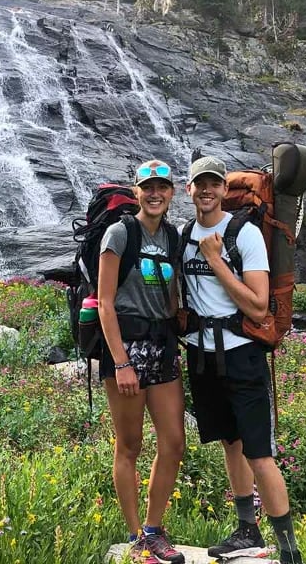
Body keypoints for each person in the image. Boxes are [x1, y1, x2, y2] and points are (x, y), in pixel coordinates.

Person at [180, 156, 304, 564]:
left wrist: (215, 259)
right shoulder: (183, 235)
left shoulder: (244, 233)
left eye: (214, 183)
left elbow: (256, 306)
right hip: (202, 356)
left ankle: (289, 551)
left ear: (223, 190)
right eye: (200, 183)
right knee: (230, 443)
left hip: (242, 354)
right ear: (190, 189)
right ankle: (247, 530)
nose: (207, 190)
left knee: (259, 452)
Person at [97, 160, 186, 564]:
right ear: (137, 192)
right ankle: (135, 538)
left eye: (162, 187)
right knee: (129, 445)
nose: (155, 194)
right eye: (148, 187)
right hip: (126, 349)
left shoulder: (172, 236)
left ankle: (154, 529)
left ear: (171, 192)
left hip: (162, 346)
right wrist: (120, 362)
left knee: (173, 442)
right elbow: (105, 302)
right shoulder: (120, 233)